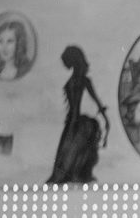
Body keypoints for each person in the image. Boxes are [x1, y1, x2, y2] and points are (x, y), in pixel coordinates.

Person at [46, 46, 110, 184]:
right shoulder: (80, 80)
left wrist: (106, 120)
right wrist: (105, 119)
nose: (64, 64)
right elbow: (97, 102)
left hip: (75, 123)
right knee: (67, 155)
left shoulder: (81, 80)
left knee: (68, 155)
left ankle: (75, 177)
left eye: (66, 61)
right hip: (73, 122)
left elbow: (97, 101)